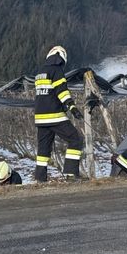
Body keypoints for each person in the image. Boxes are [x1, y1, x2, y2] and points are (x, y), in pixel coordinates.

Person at [32, 45, 85, 182]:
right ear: (61, 58)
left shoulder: (40, 72)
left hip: (40, 118)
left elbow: (45, 94)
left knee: (43, 150)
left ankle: (40, 179)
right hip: (55, 116)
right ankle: (71, 174)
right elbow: (61, 91)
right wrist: (72, 107)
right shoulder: (56, 70)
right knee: (75, 139)